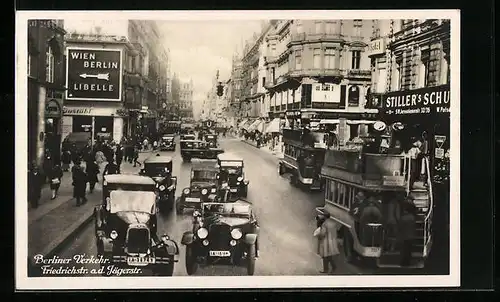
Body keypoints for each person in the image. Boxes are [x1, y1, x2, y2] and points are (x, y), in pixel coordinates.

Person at [398, 196, 417, 266]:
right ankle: (407, 262)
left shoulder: (402, 218)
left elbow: (400, 227)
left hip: (404, 236)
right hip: (410, 236)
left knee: (403, 250)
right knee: (408, 250)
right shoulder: (412, 218)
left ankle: (403, 262)